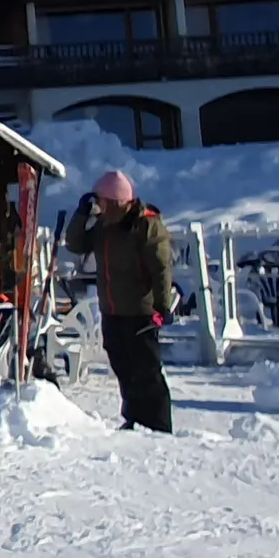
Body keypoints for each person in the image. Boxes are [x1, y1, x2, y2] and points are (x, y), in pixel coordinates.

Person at [63, 169, 175, 432]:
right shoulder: (105, 227)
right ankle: (135, 419)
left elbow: (160, 268)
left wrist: (162, 306)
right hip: (112, 310)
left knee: (146, 371)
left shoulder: (146, 225)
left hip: (140, 312)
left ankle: (158, 425)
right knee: (123, 368)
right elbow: (75, 244)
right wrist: (81, 215)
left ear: (114, 202)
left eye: (100, 201)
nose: (98, 206)